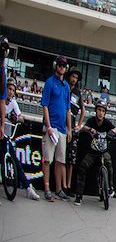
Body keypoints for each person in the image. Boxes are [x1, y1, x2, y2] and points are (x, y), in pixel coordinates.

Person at [73, 101, 116, 206]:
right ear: (96, 111)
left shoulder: (107, 123)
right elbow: (83, 127)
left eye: (103, 111)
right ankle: (79, 195)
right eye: (99, 110)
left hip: (103, 152)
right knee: (83, 167)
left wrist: (113, 132)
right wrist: (90, 129)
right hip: (92, 153)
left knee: (109, 163)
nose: (101, 113)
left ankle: (110, 188)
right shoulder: (91, 120)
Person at [40, 55, 73, 201]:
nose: (62, 67)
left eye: (64, 65)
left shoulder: (66, 86)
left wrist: (69, 128)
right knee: (48, 159)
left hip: (62, 129)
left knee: (60, 160)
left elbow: (68, 109)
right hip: (51, 127)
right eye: (60, 65)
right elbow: (45, 105)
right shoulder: (49, 82)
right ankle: (47, 188)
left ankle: (59, 189)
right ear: (56, 66)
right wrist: (48, 126)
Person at [3, 81, 41, 200]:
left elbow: (21, 118)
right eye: (9, 89)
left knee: (16, 161)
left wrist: (16, 117)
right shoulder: (1, 101)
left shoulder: (13, 103)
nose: (11, 92)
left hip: (7, 135)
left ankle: (28, 187)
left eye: (13, 90)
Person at [64, 68, 85, 196]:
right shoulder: (64, 87)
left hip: (72, 127)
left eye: (76, 78)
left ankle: (68, 185)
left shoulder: (78, 93)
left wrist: (78, 125)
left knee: (71, 160)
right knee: (61, 158)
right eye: (73, 77)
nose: (74, 79)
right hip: (62, 125)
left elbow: (83, 110)